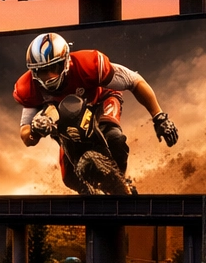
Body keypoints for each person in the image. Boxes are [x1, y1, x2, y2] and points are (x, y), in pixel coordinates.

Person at [16, 32, 178, 192]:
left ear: (66, 60)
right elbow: (26, 136)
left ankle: (121, 182)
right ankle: (98, 194)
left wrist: (159, 117)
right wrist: (36, 130)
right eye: (41, 71)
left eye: (53, 68)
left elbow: (134, 80)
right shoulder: (28, 87)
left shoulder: (88, 64)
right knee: (70, 178)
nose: (48, 77)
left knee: (114, 138)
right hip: (67, 122)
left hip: (101, 101)